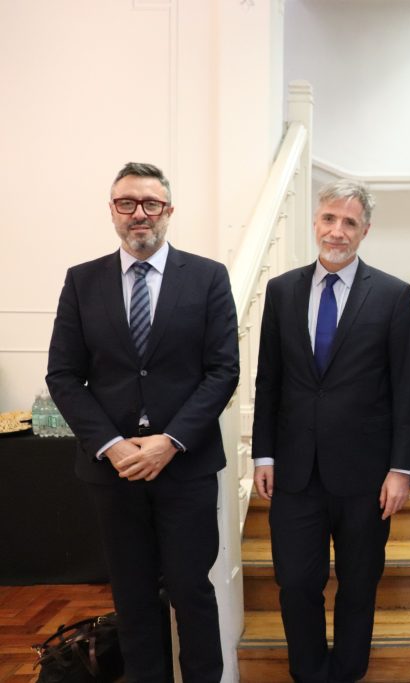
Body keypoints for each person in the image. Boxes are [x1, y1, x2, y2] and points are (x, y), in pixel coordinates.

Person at [46, 162, 239, 682]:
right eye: (127, 203)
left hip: (186, 467)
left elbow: (223, 370)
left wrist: (170, 441)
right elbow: (63, 375)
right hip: (113, 472)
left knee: (191, 591)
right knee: (132, 597)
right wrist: (112, 445)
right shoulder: (82, 281)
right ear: (112, 210)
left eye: (151, 203)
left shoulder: (207, 277)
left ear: (168, 211)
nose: (139, 214)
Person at [251, 180, 410, 682]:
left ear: (365, 231)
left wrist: (401, 468)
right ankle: (308, 673)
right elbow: (268, 380)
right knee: (295, 582)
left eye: (349, 222)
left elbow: (405, 389)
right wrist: (263, 455)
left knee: (359, 583)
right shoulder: (282, 290)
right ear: (315, 222)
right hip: (295, 472)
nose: (337, 231)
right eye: (329, 218)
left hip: (366, 476)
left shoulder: (392, 295)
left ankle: (348, 672)